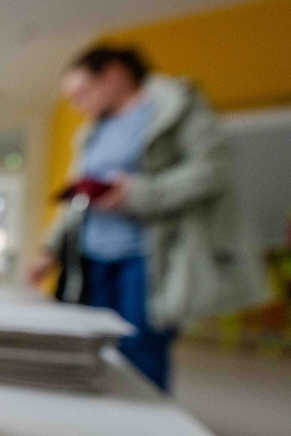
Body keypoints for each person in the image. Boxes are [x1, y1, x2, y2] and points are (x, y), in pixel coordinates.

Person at [29, 45, 266, 391]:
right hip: (92, 257)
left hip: (147, 256)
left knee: (141, 352)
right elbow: (76, 196)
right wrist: (50, 248)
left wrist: (139, 194)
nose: (78, 105)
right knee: (92, 347)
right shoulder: (91, 133)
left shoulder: (177, 107)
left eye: (81, 92)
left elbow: (214, 169)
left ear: (113, 74)